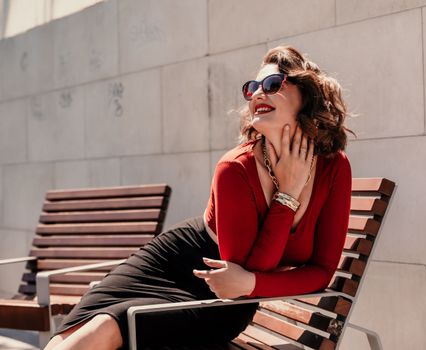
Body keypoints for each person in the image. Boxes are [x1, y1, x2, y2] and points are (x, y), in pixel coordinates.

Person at [44, 45, 353, 350]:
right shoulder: (235, 168)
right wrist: (287, 195)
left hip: (219, 300)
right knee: (72, 334)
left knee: (111, 324)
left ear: (306, 95)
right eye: (252, 88)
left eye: (272, 84)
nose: (258, 93)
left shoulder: (334, 168)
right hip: (177, 261)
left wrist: (254, 279)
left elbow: (310, 273)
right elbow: (249, 270)